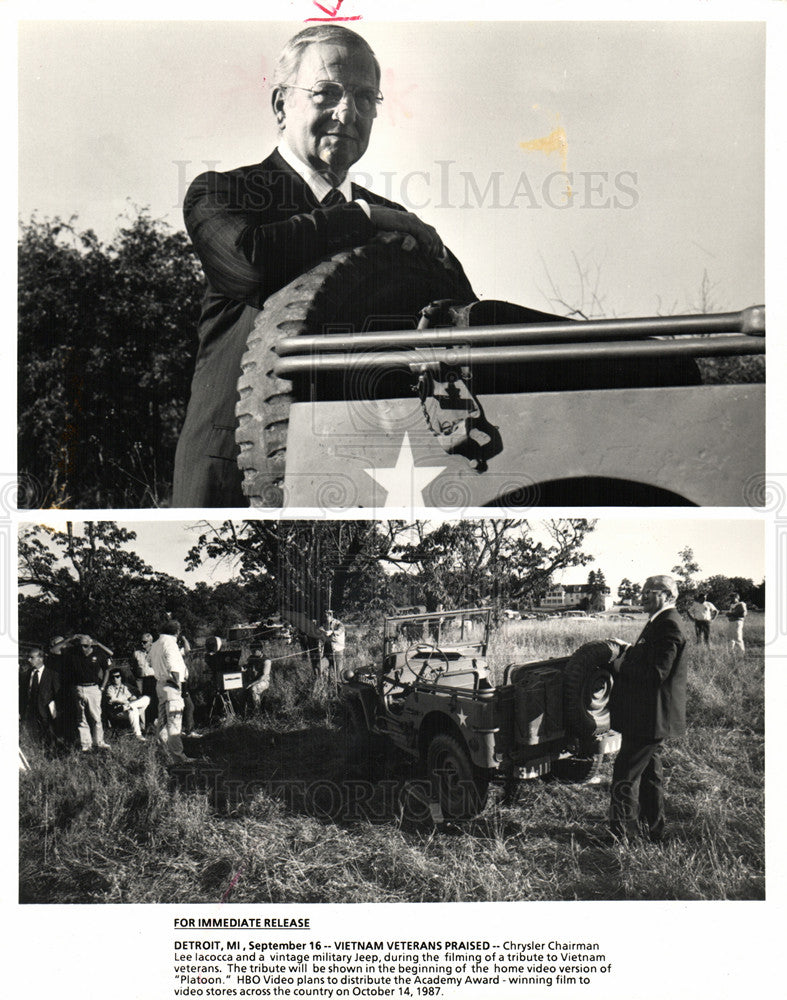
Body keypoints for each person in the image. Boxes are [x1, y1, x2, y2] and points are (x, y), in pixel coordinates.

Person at [173, 24, 467, 506]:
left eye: (365, 97)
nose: (347, 113)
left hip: (370, 472)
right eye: (326, 92)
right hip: (235, 472)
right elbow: (250, 265)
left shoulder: (400, 225)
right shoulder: (223, 194)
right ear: (281, 105)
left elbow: (458, 324)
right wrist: (361, 218)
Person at [608, 574, 688, 843]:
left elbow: (656, 673)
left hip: (650, 717)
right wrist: (629, 649)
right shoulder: (659, 622)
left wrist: (620, 665)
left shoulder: (669, 625)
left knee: (624, 775)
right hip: (647, 717)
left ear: (666, 595)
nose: (642, 596)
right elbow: (650, 656)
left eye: (648, 591)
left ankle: (622, 835)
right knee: (651, 775)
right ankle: (653, 831)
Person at [58, 634, 113, 751]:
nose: (83, 648)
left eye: (86, 646)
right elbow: (54, 650)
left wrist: (102, 687)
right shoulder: (73, 654)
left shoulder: (99, 655)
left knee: (96, 717)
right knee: (81, 718)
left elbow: (107, 670)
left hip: (93, 688)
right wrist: (70, 638)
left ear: (91, 644)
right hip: (79, 688)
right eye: (81, 646)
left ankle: (99, 742)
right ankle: (86, 744)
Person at [149, 621, 189, 764]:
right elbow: (174, 668)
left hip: (160, 685)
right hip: (172, 685)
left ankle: (163, 752)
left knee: (162, 721)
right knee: (174, 723)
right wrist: (178, 685)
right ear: (177, 632)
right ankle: (178, 757)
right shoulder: (170, 644)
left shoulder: (155, 644)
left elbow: (149, 663)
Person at [20, 646, 60, 746]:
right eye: (28, 657)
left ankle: (51, 752)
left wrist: (56, 710)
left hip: (46, 710)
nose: (29, 660)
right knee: (32, 735)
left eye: (31, 657)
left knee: (48, 735)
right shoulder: (27, 674)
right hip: (30, 710)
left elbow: (57, 693)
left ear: (40, 659)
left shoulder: (52, 674)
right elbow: (23, 693)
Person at [103, 668, 150, 742]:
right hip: (118, 711)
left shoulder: (127, 686)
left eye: (117, 676)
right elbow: (112, 700)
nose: (115, 679)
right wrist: (124, 702)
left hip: (128, 707)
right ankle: (138, 735)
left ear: (121, 677)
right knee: (133, 710)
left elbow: (138, 695)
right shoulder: (110, 688)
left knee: (146, 698)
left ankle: (130, 706)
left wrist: (135, 697)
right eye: (113, 677)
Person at [133, 632, 158, 730]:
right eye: (141, 642)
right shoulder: (137, 653)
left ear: (151, 642)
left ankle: (155, 721)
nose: (142, 644)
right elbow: (134, 667)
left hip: (154, 678)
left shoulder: (156, 653)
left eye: (145, 642)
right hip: (141, 679)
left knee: (155, 700)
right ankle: (144, 724)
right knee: (143, 700)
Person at [244, 644, 272, 712]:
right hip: (252, 680)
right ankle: (242, 710)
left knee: (254, 689)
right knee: (240, 689)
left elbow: (264, 676)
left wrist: (251, 684)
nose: (252, 652)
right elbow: (246, 667)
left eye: (254, 650)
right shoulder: (251, 658)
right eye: (251, 650)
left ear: (260, 650)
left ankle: (257, 711)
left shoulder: (266, 661)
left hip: (263, 681)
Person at [320, 611, 346, 678]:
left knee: (338, 672)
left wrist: (332, 632)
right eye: (324, 616)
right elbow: (320, 630)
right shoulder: (325, 623)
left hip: (337, 650)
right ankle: (326, 684)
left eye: (326, 615)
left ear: (330, 615)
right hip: (327, 649)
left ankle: (338, 686)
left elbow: (340, 630)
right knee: (321, 667)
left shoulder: (338, 623)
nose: (325, 617)